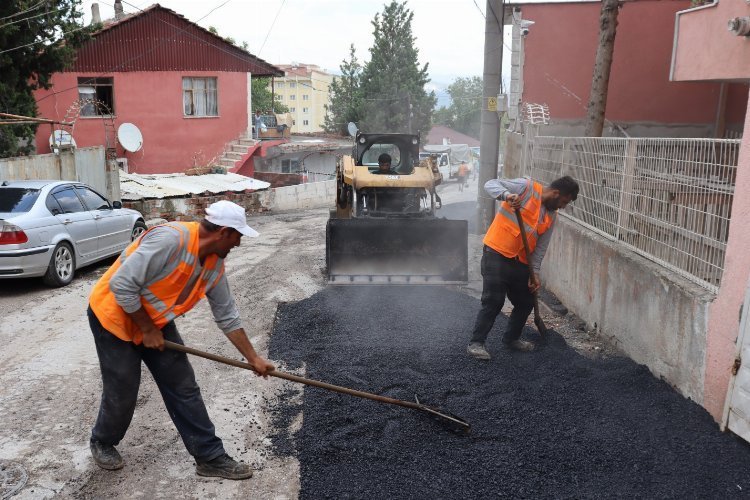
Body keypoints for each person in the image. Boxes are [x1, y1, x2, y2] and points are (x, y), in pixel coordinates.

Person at [87, 200, 275, 480]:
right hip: (112, 316)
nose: (238, 243)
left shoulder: (214, 264)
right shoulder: (170, 239)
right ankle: (102, 440)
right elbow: (121, 285)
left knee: (183, 386)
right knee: (123, 387)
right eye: (238, 236)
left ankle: (209, 457)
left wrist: (254, 359)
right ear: (223, 232)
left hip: (153, 322)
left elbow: (227, 316)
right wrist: (147, 330)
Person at [467, 175, 579, 359]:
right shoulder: (526, 188)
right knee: (494, 300)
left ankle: (511, 340)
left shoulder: (551, 215)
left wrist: (533, 274)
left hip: (520, 261)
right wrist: (506, 195)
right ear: (556, 193)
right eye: (564, 202)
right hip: (497, 252)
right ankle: (476, 343)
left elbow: (540, 248)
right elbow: (489, 184)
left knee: (525, 302)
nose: (563, 207)